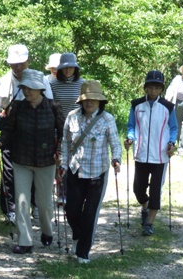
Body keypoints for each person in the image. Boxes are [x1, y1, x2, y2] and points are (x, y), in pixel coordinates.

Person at [0, 69, 65, 254]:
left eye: (30, 88)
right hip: (21, 160)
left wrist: (59, 152)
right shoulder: (17, 107)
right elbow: (9, 130)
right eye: (24, 88)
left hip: (46, 162)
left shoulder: (53, 106)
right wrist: (0, 142)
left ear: (40, 89)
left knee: (45, 203)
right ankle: (25, 241)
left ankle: (47, 231)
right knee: (22, 201)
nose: (26, 92)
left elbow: (63, 133)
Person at [0, 44, 53, 222]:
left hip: (37, 134)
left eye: (21, 63)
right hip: (11, 133)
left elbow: (50, 103)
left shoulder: (41, 79)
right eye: (13, 64)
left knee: (37, 170)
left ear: (28, 61)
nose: (17, 67)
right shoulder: (2, 82)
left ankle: (36, 206)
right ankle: (11, 209)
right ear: (8, 64)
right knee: (9, 172)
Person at [60, 80, 122, 264]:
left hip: (97, 172)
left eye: (93, 100)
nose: (89, 103)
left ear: (100, 102)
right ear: (81, 101)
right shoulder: (72, 117)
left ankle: (83, 253)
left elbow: (115, 143)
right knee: (71, 211)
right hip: (75, 170)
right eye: (86, 99)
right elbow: (65, 142)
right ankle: (77, 236)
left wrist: (116, 159)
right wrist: (63, 163)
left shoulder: (107, 119)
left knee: (89, 214)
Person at [125, 70, 178, 236]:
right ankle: (145, 207)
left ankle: (149, 223)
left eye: (157, 87)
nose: (153, 90)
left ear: (161, 89)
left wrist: (171, 142)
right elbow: (131, 126)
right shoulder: (136, 105)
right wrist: (130, 138)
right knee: (138, 189)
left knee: (155, 190)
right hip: (141, 154)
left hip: (160, 156)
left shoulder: (168, 107)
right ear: (145, 88)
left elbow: (174, 127)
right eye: (150, 87)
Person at [50, 52, 85, 204]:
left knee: (77, 160)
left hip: (77, 127)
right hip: (59, 126)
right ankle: (61, 193)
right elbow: (51, 106)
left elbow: (85, 106)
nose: (68, 70)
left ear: (75, 68)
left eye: (70, 67)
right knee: (61, 159)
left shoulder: (83, 84)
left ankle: (76, 192)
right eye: (64, 68)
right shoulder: (53, 84)